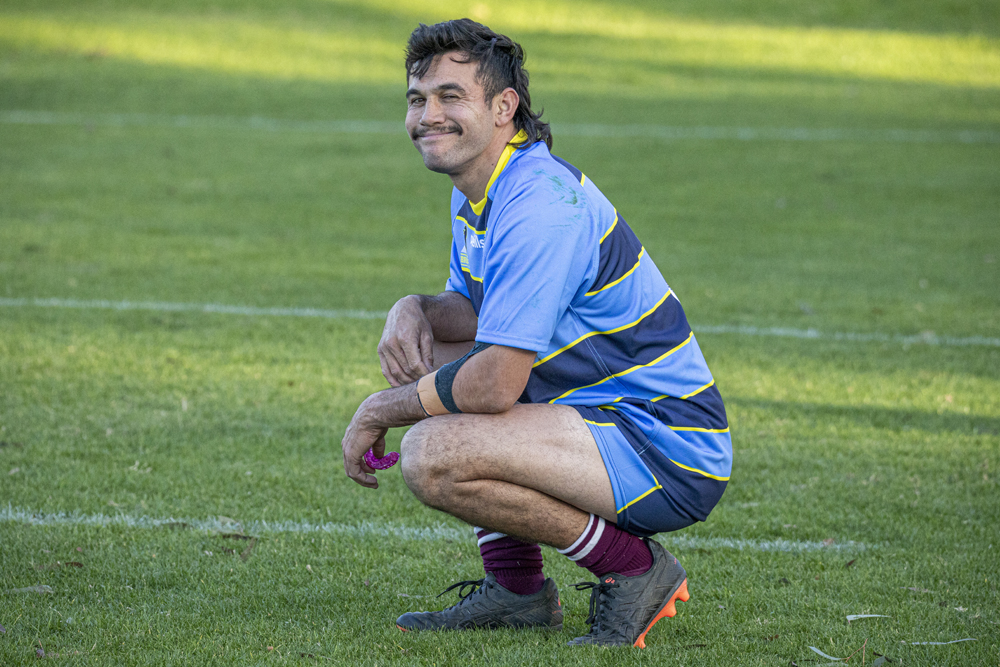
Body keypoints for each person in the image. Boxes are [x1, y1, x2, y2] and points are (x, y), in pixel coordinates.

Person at [340, 18, 732, 648]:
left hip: (664, 443)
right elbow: (478, 313)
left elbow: (495, 383)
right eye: (417, 99)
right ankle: (517, 590)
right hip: (599, 420)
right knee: (429, 356)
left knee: (432, 452)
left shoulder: (540, 204)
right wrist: (412, 308)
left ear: (503, 107)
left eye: (450, 96)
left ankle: (635, 569)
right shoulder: (485, 185)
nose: (427, 116)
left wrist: (380, 409)